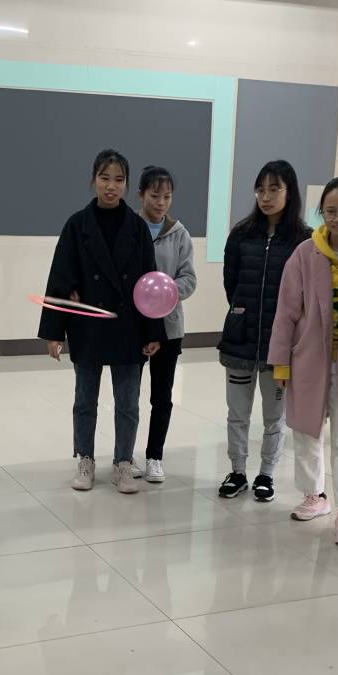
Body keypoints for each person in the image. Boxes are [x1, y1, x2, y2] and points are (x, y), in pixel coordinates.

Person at [39, 148, 163, 495]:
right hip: (88, 326)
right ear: (93, 180)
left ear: (127, 185)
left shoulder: (137, 228)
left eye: (119, 179)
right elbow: (60, 279)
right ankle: (86, 458)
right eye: (105, 178)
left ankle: (123, 462)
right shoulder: (76, 225)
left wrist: (153, 331)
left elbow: (149, 282)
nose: (111, 186)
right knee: (84, 400)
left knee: (128, 402)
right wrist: (54, 332)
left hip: (128, 326)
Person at [269, 177, 338, 547]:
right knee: (306, 432)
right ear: (321, 213)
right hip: (308, 360)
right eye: (330, 211)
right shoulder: (305, 253)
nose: (337, 218)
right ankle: (314, 495)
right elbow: (286, 311)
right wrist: (281, 362)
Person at [217, 160, 307, 502]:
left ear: (289, 192)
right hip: (240, 339)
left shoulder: (303, 240)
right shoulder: (241, 234)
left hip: (280, 344)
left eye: (274, 189)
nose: (266, 197)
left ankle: (266, 474)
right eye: (260, 189)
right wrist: (244, 311)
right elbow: (231, 283)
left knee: (274, 416)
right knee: (237, 413)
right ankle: (238, 471)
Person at [136, 165, 197, 483]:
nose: (161, 203)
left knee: (162, 397)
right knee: (127, 397)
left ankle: (154, 457)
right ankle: (123, 456)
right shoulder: (130, 229)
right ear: (141, 195)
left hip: (169, 328)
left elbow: (189, 279)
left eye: (167, 196)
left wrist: (166, 293)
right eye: (155, 196)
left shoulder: (180, 234)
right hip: (133, 328)